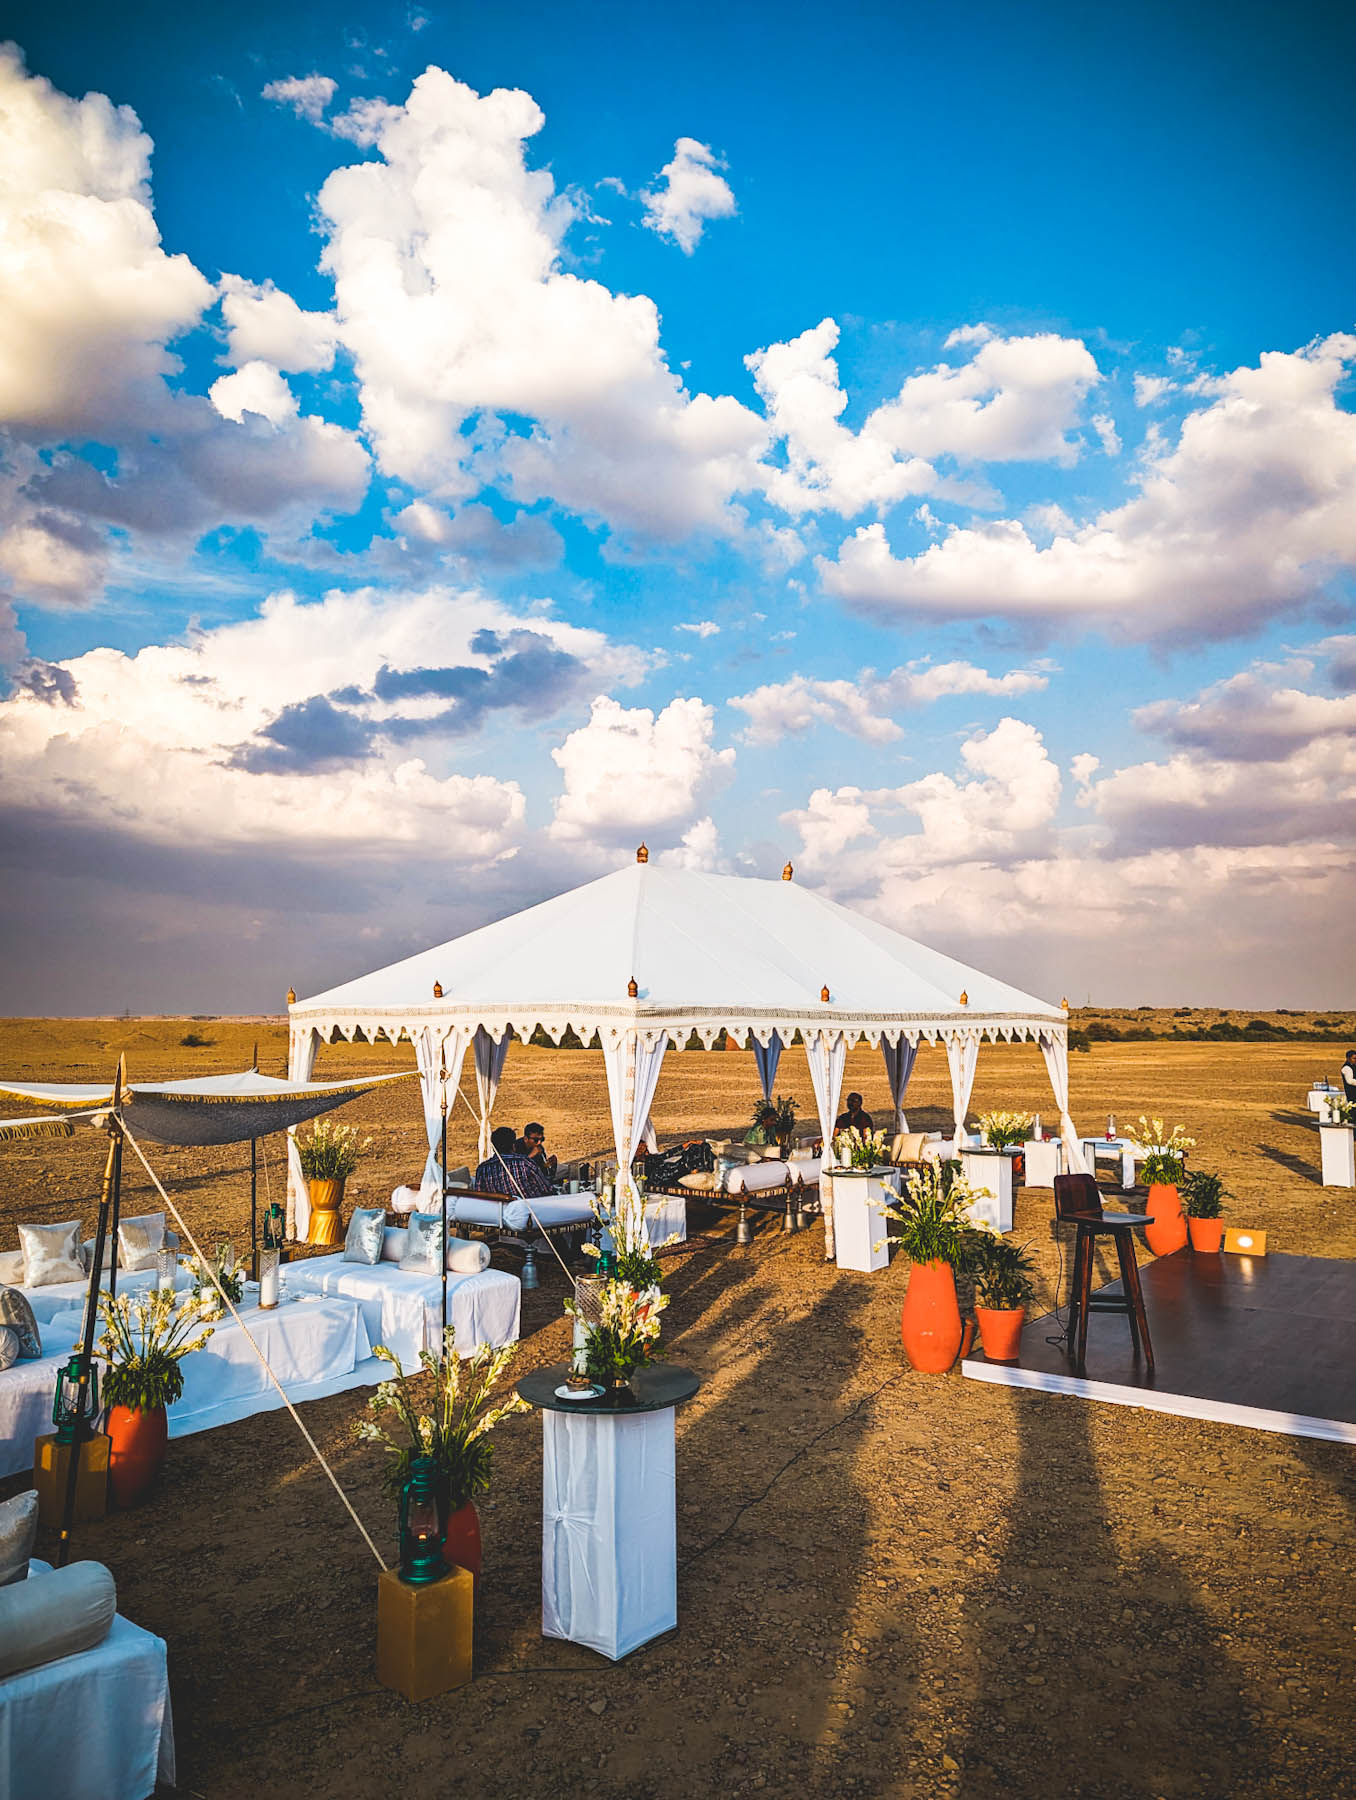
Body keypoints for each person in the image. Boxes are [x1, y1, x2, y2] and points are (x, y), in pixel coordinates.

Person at [475, 1124, 555, 1199]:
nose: (539, 1143)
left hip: (497, 1211)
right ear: (513, 1146)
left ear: (493, 1148)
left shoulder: (482, 1169)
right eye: (536, 1140)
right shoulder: (525, 1163)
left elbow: (479, 1196)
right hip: (529, 1209)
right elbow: (546, 1189)